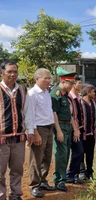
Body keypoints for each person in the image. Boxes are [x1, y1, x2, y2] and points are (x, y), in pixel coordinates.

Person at [24, 68, 56, 198]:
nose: (48, 81)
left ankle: (43, 181)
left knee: (47, 157)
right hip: (39, 129)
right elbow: (29, 114)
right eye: (46, 78)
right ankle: (34, 185)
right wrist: (34, 132)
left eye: (49, 78)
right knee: (36, 159)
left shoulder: (46, 92)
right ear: (37, 78)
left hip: (49, 128)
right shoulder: (31, 94)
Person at [0, 60, 27, 200]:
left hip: (19, 138)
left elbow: (26, 111)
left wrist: (32, 131)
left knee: (17, 169)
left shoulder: (22, 89)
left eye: (15, 71)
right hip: (1, 138)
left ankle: (16, 194)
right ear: (2, 73)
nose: (12, 74)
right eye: (9, 71)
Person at [50, 73, 80, 192]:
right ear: (63, 82)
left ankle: (62, 177)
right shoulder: (55, 94)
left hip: (67, 126)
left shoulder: (65, 95)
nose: (71, 86)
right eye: (70, 84)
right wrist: (58, 131)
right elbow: (54, 114)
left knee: (65, 153)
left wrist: (75, 129)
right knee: (61, 154)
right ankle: (59, 180)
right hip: (60, 126)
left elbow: (70, 114)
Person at [79, 84, 96, 180]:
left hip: (91, 133)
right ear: (88, 92)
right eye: (93, 91)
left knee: (90, 153)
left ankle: (89, 172)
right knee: (80, 153)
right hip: (81, 133)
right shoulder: (80, 102)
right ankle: (82, 171)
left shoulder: (93, 102)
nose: (94, 93)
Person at [66, 77, 85, 184]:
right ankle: (70, 174)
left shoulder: (78, 97)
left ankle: (74, 175)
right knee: (78, 151)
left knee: (79, 152)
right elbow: (71, 115)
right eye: (78, 83)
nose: (80, 85)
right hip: (74, 129)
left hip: (80, 128)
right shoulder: (70, 97)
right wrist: (75, 129)